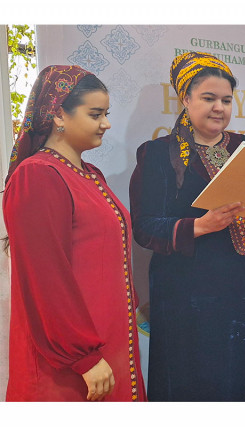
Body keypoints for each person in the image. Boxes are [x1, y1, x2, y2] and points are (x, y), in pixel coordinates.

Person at [129, 52, 245, 401]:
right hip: (192, 299)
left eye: (226, 100)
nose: (219, 108)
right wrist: (199, 226)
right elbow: (143, 227)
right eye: (208, 98)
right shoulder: (158, 154)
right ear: (186, 99)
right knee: (202, 384)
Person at [3, 65, 146, 402]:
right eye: (95, 114)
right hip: (69, 361)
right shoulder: (38, 175)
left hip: (106, 340)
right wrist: (81, 356)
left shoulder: (90, 174)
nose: (106, 124)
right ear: (58, 115)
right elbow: (45, 277)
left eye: (106, 114)